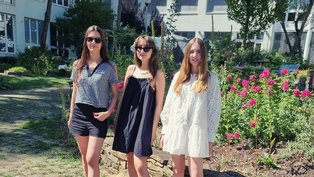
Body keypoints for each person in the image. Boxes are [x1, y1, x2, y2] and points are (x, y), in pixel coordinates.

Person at [160, 38, 221, 177]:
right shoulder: (178, 77)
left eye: (198, 52)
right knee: (177, 171)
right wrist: (165, 130)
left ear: (203, 55)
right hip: (177, 128)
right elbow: (168, 105)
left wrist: (210, 138)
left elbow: (214, 110)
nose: (194, 55)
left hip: (197, 130)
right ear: (187, 54)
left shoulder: (211, 79)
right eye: (191, 51)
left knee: (196, 173)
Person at [68, 25, 119, 177]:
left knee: (91, 159)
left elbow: (116, 94)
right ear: (86, 42)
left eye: (97, 39)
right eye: (89, 39)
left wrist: (109, 112)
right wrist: (71, 116)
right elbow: (75, 91)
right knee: (84, 157)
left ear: (102, 43)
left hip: (98, 116)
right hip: (79, 115)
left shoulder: (110, 66)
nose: (93, 42)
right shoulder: (78, 65)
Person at [112, 35, 165, 177]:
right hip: (128, 119)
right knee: (130, 160)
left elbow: (159, 104)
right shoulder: (131, 69)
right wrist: (117, 120)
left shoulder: (157, 74)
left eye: (146, 48)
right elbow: (123, 98)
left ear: (152, 51)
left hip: (144, 123)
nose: (142, 51)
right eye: (139, 48)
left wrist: (154, 130)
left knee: (140, 165)